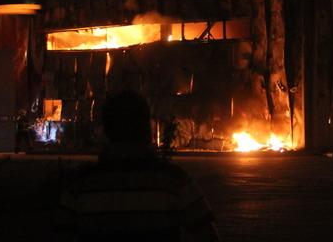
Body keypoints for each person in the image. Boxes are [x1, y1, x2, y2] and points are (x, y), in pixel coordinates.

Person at [52, 91, 218, 241]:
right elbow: (207, 235)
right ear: (147, 129)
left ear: (106, 130)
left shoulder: (79, 186)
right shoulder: (174, 181)